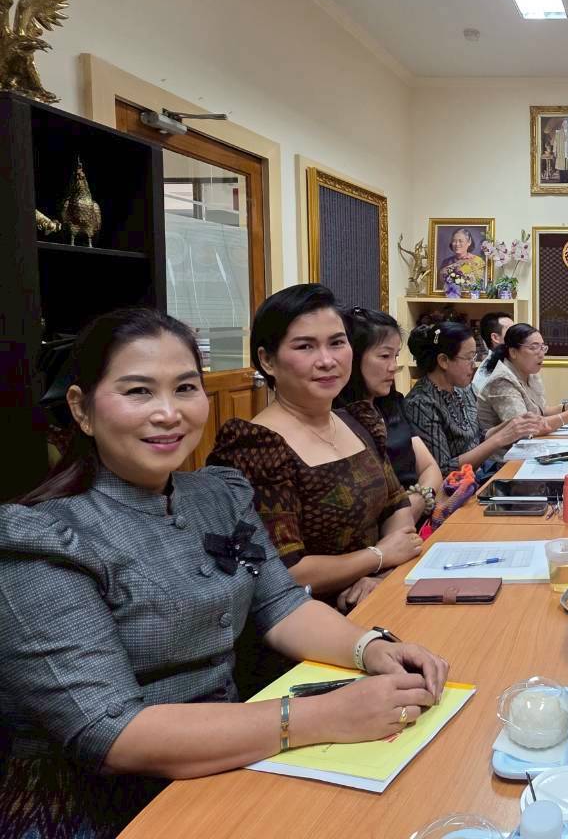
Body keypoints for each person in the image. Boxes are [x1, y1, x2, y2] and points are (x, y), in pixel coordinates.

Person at [0, 308, 448, 837]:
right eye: (139, 392)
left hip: (233, 752)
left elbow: (279, 604)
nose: (168, 413)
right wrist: (320, 717)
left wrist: (370, 647)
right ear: (82, 409)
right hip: (102, 804)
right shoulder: (40, 539)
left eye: (185, 388)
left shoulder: (217, 493)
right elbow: (108, 730)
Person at [208, 284, 421, 613]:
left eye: (337, 343)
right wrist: (377, 557)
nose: (327, 360)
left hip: (378, 596)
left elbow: (397, 507)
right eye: (305, 346)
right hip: (303, 622)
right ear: (267, 360)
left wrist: (378, 574)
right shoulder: (255, 447)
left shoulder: (360, 420)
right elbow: (284, 569)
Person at [337, 307, 443, 529]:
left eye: (395, 356)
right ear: (353, 357)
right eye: (384, 356)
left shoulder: (392, 403)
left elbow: (430, 468)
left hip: (415, 521)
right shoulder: (337, 416)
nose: (393, 367)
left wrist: (417, 502)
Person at [403, 321, 544, 474]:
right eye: (469, 358)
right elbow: (442, 470)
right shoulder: (421, 403)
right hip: (454, 490)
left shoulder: (462, 389)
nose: (474, 364)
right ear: (443, 361)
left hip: (479, 475)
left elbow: (477, 437)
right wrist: (498, 439)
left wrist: (511, 425)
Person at [475, 323, 568, 455]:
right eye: (534, 348)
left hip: (527, 451)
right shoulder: (501, 381)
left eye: (543, 348)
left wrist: (566, 407)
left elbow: (540, 411)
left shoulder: (530, 373)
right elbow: (525, 429)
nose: (541, 354)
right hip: (502, 461)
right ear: (513, 352)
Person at [471, 310, 514, 396]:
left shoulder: (511, 362)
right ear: (495, 337)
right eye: (511, 331)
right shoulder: (489, 374)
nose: (517, 334)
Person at [436, 227, 486, 291]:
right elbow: (439, 284)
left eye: (460, 241)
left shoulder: (478, 261)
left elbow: (479, 286)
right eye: (454, 241)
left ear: (469, 242)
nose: (457, 244)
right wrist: (457, 264)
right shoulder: (446, 262)